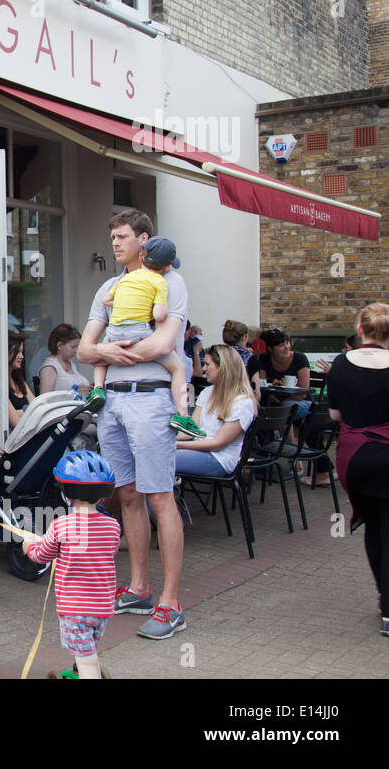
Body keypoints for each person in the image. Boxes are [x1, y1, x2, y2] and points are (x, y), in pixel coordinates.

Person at [78, 208, 187, 641]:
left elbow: (165, 341)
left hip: (151, 400)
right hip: (112, 404)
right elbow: (84, 352)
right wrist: (108, 353)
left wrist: (112, 351)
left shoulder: (170, 282)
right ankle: (140, 588)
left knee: (159, 496)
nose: (115, 244)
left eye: (123, 237)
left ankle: (170, 603)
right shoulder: (108, 286)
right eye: (113, 238)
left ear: (144, 239)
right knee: (126, 494)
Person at [22, 451, 122, 678]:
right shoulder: (113, 526)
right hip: (103, 608)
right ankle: (80, 671)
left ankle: (87, 673)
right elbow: (107, 550)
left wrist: (28, 546)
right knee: (87, 650)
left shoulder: (61, 526)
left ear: (67, 494)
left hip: (76, 609)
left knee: (87, 659)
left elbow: (41, 556)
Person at [89, 237, 200, 437]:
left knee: (100, 357)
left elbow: (107, 300)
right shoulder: (160, 282)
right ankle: (182, 414)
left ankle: (97, 389)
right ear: (167, 267)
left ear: (142, 256)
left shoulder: (125, 280)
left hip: (115, 333)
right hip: (139, 333)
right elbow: (159, 316)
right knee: (179, 368)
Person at [325, 303, 389, 638]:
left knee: (374, 526)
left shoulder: (339, 364)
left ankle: (383, 597)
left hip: (354, 459)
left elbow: (335, 417)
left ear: (360, 330)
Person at [173, 344, 257, 478]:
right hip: (199, 450)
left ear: (223, 367)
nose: (204, 369)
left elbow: (218, 444)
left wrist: (177, 444)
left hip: (220, 459)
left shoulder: (242, 402)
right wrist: (164, 436)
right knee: (150, 454)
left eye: (207, 364)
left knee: (157, 460)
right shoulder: (207, 392)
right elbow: (192, 430)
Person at [247, 327, 312, 422]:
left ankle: (279, 436)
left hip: (301, 401)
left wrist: (279, 400)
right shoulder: (264, 359)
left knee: (280, 410)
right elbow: (262, 384)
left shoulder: (299, 358)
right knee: (261, 408)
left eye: (287, 343)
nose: (287, 347)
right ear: (270, 348)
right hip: (274, 401)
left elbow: (303, 392)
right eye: (281, 345)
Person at [38, 323, 95, 397]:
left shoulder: (71, 364)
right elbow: (45, 399)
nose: (75, 350)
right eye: (73, 347)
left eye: (77, 347)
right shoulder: (50, 368)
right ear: (59, 345)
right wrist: (74, 392)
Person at [6, 335, 36, 430]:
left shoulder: (19, 381)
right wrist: (27, 411)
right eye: (17, 352)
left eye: (22, 352)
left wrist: (21, 412)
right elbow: (15, 422)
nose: (22, 356)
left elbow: (37, 409)